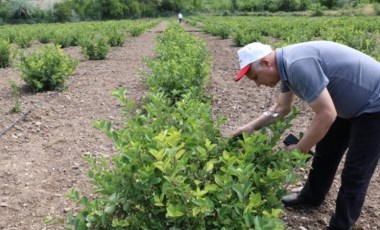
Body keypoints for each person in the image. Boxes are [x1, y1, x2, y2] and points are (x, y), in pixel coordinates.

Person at [232, 41, 380, 230]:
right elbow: (281, 108)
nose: (258, 84)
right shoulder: (285, 66)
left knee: (355, 171)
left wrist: (299, 149)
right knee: (326, 152)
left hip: (374, 105)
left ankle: (341, 225)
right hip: (348, 104)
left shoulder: (297, 65)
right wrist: (251, 127)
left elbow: (326, 115)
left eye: (255, 77)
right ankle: (311, 197)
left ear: (266, 62)